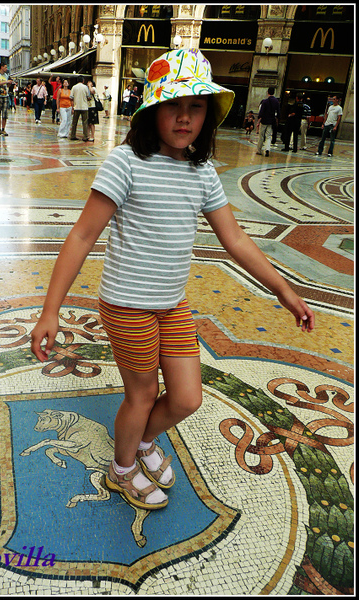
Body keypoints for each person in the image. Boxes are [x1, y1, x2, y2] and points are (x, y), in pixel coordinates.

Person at [30, 49, 315, 512]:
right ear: (152, 110)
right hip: (127, 304)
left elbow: (235, 237)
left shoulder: (201, 171)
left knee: (186, 397)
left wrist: (283, 289)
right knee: (141, 394)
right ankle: (122, 469)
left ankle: (138, 443)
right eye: (173, 105)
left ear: (209, 114)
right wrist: (50, 310)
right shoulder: (126, 163)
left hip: (171, 304)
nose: (184, 117)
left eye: (196, 106)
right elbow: (82, 235)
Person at [256, 87, 280, 157]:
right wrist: (278, 119)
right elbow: (278, 112)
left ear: (268, 92)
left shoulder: (265, 101)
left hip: (264, 121)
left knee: (261, 136)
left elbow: (261, 112)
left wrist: (259, 119)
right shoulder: (276, 102)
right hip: (271, 121)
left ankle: (259, 150)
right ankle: (267, 149)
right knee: (268, 136)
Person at [0, 61, 13, 136]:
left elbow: (7, 86)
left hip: (5, 96)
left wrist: (9, 84)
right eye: (5, 67)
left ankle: (3, 129)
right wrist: (5, 81)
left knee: (5, 113)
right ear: (1, 67)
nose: (6, 68)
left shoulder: (6, 75)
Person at [69, 75, 91, 141]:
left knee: (74, 122)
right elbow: (88, 96)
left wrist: (72, 107)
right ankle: (85, 136)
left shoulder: (74, 87)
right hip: (84, 107)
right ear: (83, 81)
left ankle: (73, 135)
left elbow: (71, 97)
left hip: (76, 107)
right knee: (85, 122)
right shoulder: (85, 87)